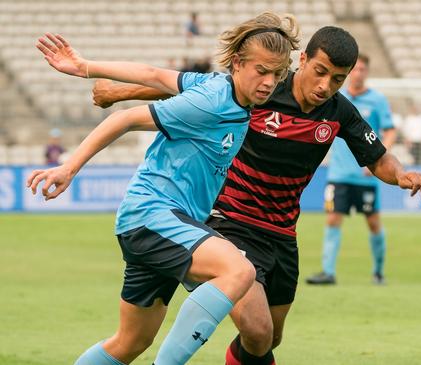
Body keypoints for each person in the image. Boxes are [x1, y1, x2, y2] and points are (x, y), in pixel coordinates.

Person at [91, 26, 421, 365]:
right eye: (320, 72)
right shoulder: (264, 87)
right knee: (257, 329)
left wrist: (401, 174)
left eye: (337, 79)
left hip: (282, 235)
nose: (325, 86)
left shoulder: (339, 112)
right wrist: (119, 93)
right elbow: (201, 92)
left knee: (268, 339)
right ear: (303, 60)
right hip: (232, 223)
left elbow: (378, 157)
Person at [29, 11, 299, 365]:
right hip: (153, 215)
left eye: (277, 74)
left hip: (157, 223)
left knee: (129, 342)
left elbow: (154, 74)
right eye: (261, 71)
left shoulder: (219, 88)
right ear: (237, 63)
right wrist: (70, 167)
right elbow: (125, 118)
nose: (268, 81)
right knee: (240, 271)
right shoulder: (210, 102)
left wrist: (86, 66)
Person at [305, 53, 396, 286]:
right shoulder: (336, 97)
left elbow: (390, 130)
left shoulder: (377, 100)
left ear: (367, 72)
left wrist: (376, 159)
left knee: (373, 222)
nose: (359, 73)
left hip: (366, 176)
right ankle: (328, 271)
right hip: (338, 174)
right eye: (355, 70)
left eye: (363, 70)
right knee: (333, 219)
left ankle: (378, 272)